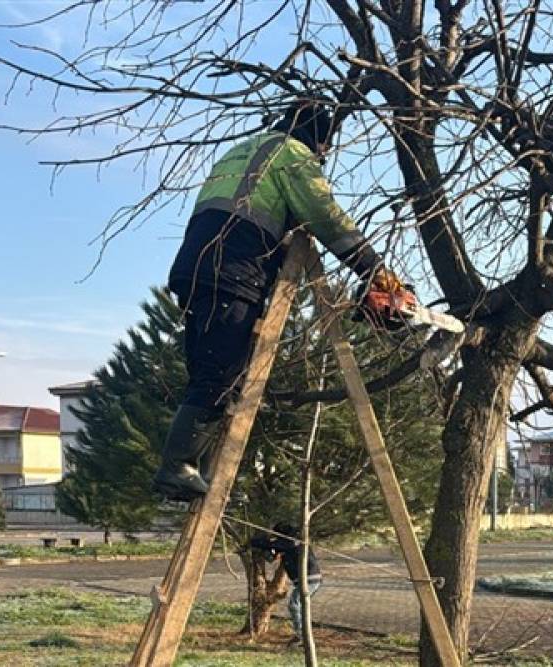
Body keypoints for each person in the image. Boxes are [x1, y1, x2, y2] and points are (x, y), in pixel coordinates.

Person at [152, 100, 406, 501]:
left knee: (214, 371)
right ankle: (177, 467)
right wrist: (377, 273)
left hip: (196, 268)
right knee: (217, 377)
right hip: (230, 272)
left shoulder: (246, 151)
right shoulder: (293, 155)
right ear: (319, 141)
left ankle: (194, 468)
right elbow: (326, 217)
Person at [250, 522, 322, 644]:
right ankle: (303, 634)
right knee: (299, 606)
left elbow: (269, 544)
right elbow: (273, 555)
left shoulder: (291, 542)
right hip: (308, 579)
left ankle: (302, 637)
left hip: (309, 579)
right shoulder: (291, 543)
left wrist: (254, 541)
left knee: (294, 604)